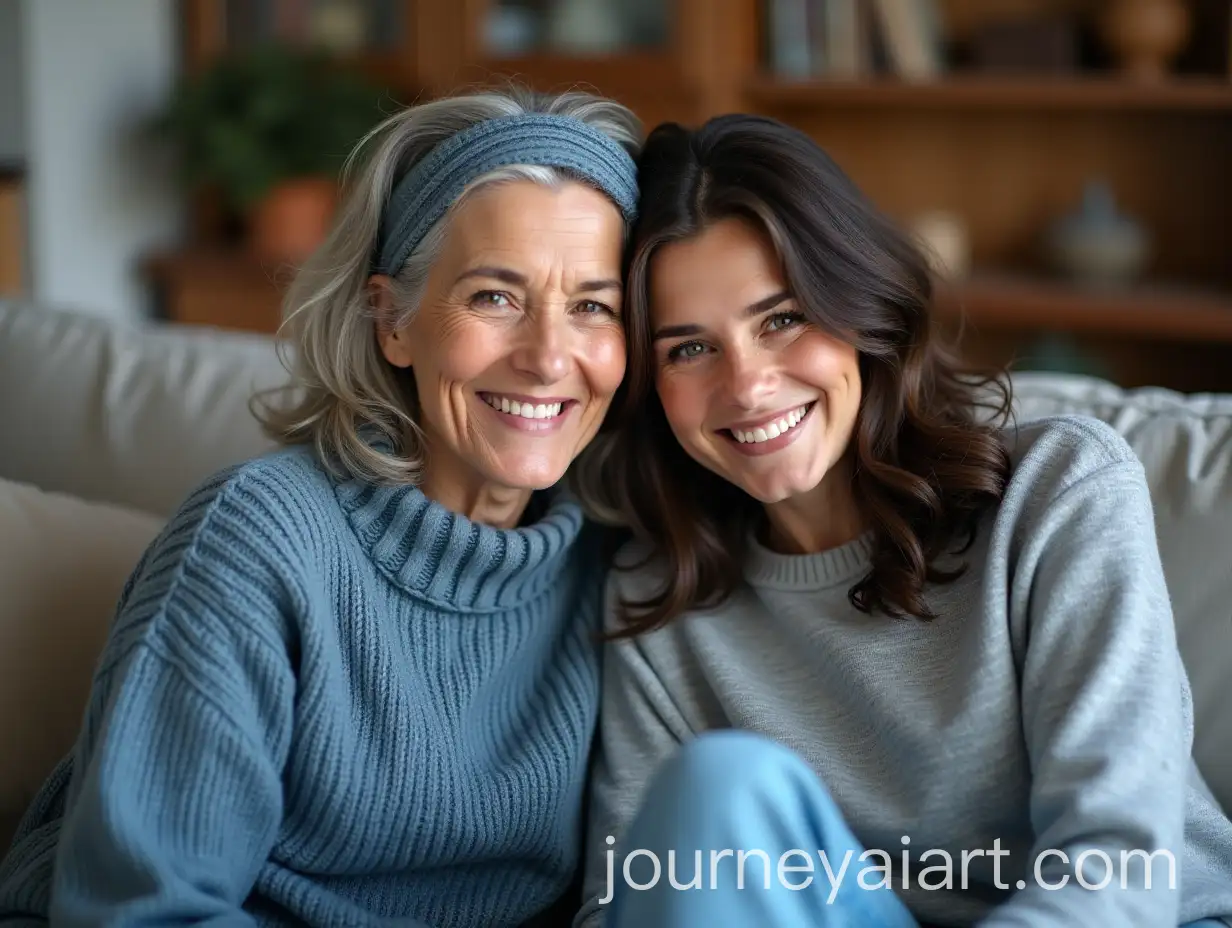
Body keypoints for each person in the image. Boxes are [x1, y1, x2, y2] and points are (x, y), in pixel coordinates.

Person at [0, 86, 641, 926]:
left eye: (593, 306)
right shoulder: (256, 538)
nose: (549, 357)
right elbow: (143, 909)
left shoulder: (618, 560)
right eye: (495, 297)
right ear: (391, 320)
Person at [570, 114, 1232, 927]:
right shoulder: (659, 598)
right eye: (689, 349)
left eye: (782, 318)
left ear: (859, 309)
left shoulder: (1059, 491)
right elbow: (630, 902)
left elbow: (1119, 867)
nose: (746, 386)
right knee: (720, 789)